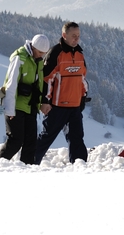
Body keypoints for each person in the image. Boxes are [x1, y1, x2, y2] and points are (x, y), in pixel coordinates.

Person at [34, 21, 88, 164]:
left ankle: (80, 167)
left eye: (78, 36)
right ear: (64, 35)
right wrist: (45, 102)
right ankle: (29, 163)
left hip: (75, 107)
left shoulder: (80, 54)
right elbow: (46, 80)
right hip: (57, 107)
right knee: (46, 138)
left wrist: (83, 97)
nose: (76, 39)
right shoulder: (55, 53)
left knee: (77, 139)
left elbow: (82, 79)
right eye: (73, 36)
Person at [0, 34, 50, 164]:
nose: (41, 55)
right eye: (40, 52)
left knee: (30, 142)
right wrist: (10, 110)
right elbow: (10, 85)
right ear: (33, 47)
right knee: (16, 141)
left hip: (30, 106)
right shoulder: (20, 58)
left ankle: (26, 170)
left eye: (44, 53)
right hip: (16, 106)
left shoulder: (38, 60)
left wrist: (41, 102)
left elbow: (40, 83)